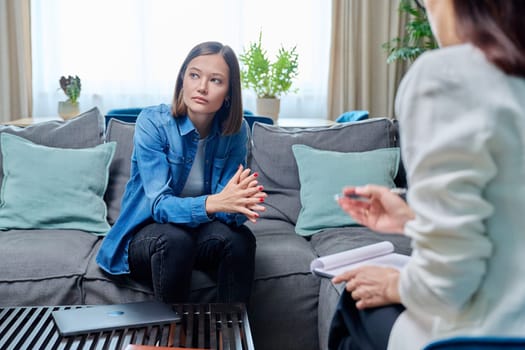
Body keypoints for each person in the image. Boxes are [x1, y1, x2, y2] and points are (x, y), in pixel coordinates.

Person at [330, 0, 525, 349]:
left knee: (351, 305)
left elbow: (447, 284)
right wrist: (412, 219)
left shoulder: (447, 75)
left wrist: (391, 285)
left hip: (486, 335)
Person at [96, 41, 267, 304]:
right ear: (182, 80)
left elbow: (227, 204)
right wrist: (216, 202)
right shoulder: (152, 122)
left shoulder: (236, 131)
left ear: (229, 92)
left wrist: (240, 205)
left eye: (216, 80)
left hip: (198, 233)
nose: (202, 87)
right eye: (194, 75)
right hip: (148, 234)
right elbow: (159, 205)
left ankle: (229, 336)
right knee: (176, 241)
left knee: (240, 240)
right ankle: (174, 339)